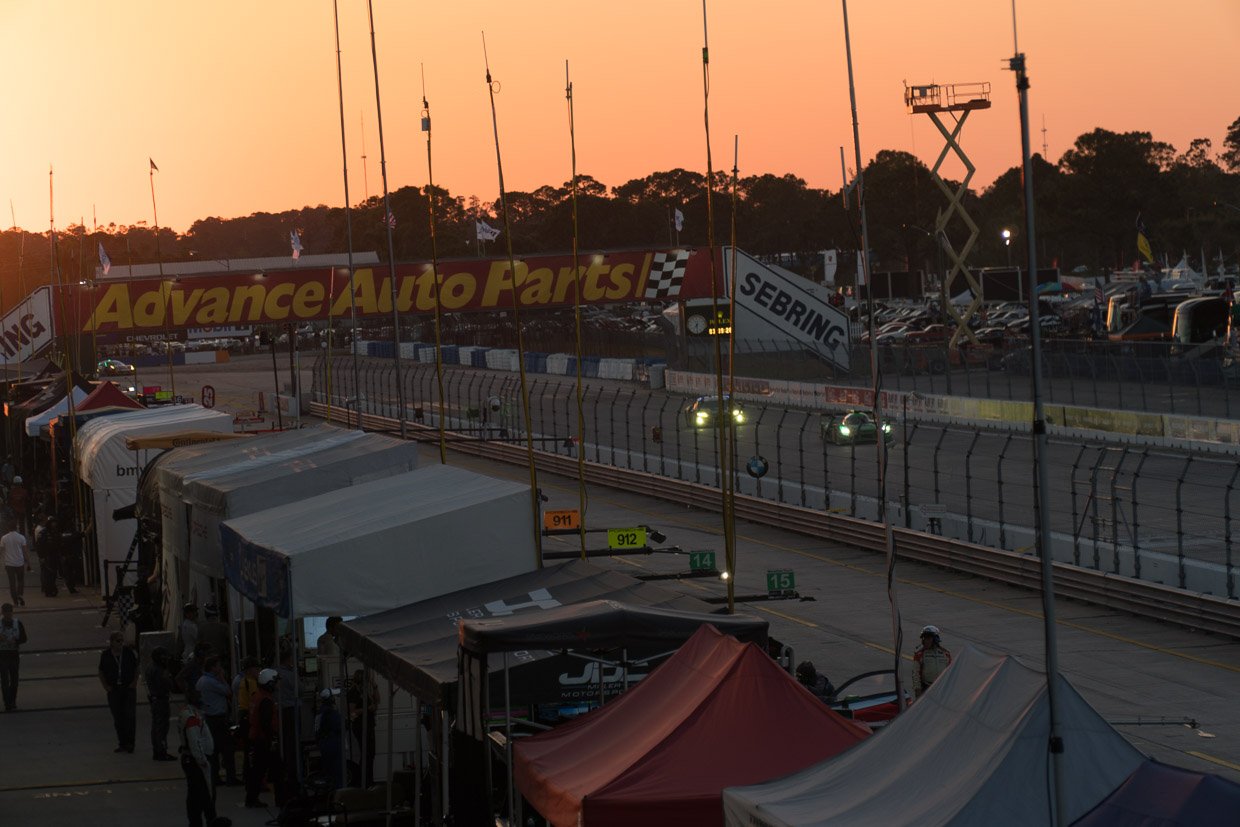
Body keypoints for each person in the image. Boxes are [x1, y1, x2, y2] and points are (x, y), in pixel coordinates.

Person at [195, 655, 237, 788]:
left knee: (214, 749)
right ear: (213, 668)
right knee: (227, 748)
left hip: (209, 717)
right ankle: (231, 778)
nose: (220, 669)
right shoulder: (212, 682)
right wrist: (223, 678)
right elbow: (228, 692)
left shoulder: (202, 680)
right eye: (218, 666)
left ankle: (215, 776)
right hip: (217, 718)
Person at [178, 697, 220, 827]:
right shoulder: (192, 718)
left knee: (194, 795)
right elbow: (195, 742)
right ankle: (210, 821)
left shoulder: (187, 713)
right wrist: (203, 761)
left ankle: (196, 822)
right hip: (196, 761)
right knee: (205, 795)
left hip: (192, 759)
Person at [246, 667, 283, 809]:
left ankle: (251, 798)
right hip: (264, 741)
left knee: (258, 770)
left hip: (258, 739)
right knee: (278, 771)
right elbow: (265, 723)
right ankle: (281, 800)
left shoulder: (257, 696)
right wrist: (273, 739)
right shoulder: (266, 700)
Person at [98, 630, 138, 753]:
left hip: (128, 688)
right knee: (118, 718)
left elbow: (136, 668)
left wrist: (133, 683)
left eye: (122, 640)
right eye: (118, 641)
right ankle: (122, 743)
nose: (121, 643)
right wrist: (106, 686)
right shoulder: (106, 655)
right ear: (112, 642)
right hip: (114, 689)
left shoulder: (128, 653)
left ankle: (130, 743)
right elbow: (101, 671)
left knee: (130, 716)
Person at [144, 646, 179, 761]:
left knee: (156, 726)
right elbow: (168, 684)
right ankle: (161, 751)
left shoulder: (150, 667)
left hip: (154, 699)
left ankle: (157, 750)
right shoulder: (159, 670)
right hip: (161, 700)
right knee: (162, 727)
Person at [346, 668, 378, 787]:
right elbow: (351, 711)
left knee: (370, 754)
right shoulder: (354, 692)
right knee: (366, 754)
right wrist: (366, 709)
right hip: (361, 726)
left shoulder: (366, 691)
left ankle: (369, 780)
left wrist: (375, 687)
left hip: (369, 725)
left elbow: (378, 700)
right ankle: (365, 781)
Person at [315, 688, 344, 791]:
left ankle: (330, 795)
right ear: (330, 699)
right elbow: (340, 726)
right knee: (337, 772)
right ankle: (338, 796)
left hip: (324, 742)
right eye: (334, 697)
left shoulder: (321, 711)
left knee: (329, 771)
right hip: (332, 742)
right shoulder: (331, 712)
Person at [0, 602, 28, 711]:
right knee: (5, 680)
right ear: (2, 613)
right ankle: (8, 703)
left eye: (9, 613)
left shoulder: (17, 623)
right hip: (2, 655)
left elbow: (24, 638)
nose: (7, 615)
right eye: (5, 613)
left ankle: (12, 700)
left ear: (12, 613)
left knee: (14, 680)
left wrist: (16, 641)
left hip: (13, 654)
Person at [912, 624, 953, 699]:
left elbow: (951, 673)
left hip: (942, 689)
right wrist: (917, 690)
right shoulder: (920, 654)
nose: (925, 640)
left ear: (935, 639)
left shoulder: (945, 654)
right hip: (926, 689)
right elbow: (916, 675)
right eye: (924, 638)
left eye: (928, 638)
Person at [197, 604, 231, 676]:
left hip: (206, 660)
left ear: (206, 614)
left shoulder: (201, 627)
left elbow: (198, 644)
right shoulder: (224, 627)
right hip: (221, 660)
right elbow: (230, 643)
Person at [1, 523, 29, 607]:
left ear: (7, 528)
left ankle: (15, 601)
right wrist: (28, 562)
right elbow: (25, 551)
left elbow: (1, 550)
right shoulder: (21, 537)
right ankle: (20, 594)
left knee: (12, 583)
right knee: (20, 580)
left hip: (9, 563)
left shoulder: (4, 538)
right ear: (16, 528)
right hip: (19, 562)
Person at [35, 516, 60, 598]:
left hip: (54, 556)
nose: (54, 524)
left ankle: (52, 588)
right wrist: (41, 557)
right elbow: (39, 546)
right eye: (52, 522)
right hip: (46, 556)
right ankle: (48, 590)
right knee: (47, 574)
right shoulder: (43, 533)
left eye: (55, 522)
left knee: (53, 574)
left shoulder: (55, 532)